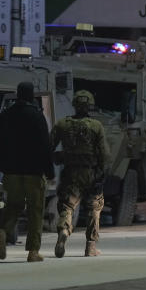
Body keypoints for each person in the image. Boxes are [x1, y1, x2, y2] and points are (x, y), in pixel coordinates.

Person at [0, 81, 55, 262]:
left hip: (11, 172)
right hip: (34, 172)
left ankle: (3, 232)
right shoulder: (37, 116)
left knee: (14, 205)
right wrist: (49, 171)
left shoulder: (5, 116)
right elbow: (45, 146)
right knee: (35, 211)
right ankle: (33, 251)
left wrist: (3, 166)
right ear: (31, 96)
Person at [50, 90, 110, 258]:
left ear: (74, 105)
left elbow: (49, 147)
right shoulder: (96, 126)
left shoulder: (62, 124)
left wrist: (58, 158)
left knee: (67, 206)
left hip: (70, 172)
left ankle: (64, 230)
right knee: (94, 208)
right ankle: (90, 247)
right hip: (90, 173)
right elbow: (104, 154)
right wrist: (103, 173)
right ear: (89, 105)